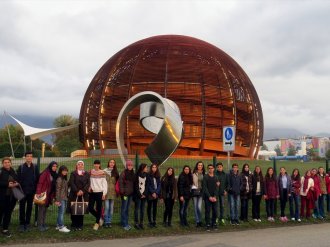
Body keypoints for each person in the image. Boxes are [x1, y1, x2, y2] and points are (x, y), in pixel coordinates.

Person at [17, 151, 39, 232]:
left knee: (29, 208)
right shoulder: (21, 167)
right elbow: (18, 179)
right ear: (25, 157)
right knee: (22, 208)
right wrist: (19, 192)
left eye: (30, 156)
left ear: (32, 157)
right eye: (27, 156)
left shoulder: (35, 167)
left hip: (31, 192)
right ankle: (22, 224)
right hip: (22, 192)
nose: (29, 157)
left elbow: (37, 179)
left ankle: (27, 223)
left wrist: (36, 190)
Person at [0, 157, 20, 237]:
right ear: (3, 163)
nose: (7, 163)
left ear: (11, 163)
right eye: (5, 162)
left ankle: (5, 229)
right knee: (0, 213)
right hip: (2, 197)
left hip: (12, 197)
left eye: (8, 162)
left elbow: (17, 179)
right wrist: (7, 184)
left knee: (8, 213)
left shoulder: (13, 171)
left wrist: (16, 183)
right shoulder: (1, 171)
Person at [68, 160, 90, 231]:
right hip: (74, 194)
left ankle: (80, 225)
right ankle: (74, 224)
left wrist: (82, 191)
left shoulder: (86, 173)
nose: (80, 165)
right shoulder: (73, 173)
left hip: (84, 194)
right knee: (74, 209)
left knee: (81, 209)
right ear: (76, 165)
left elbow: (88, 183)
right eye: (79, 164)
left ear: (83, 166)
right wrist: (77, 191)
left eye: (81, 164)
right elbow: (72, 183)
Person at [36, 161, 58, 231]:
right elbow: (40, 183)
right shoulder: (46, 173)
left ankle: (43, 223)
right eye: (53, 166)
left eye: (56, 166)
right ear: (50, 166)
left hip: (49, 195)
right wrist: (38, 192)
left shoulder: (55, 174)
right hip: (43, 194)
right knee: (41, 210)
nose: (55, 168)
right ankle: (40, 225)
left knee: (45, 210)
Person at [88, 160, 107, 231]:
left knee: (99, 208)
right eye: (95, 164)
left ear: (99, 165)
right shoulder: (91, 172)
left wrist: (104, 194)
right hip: (92, 193)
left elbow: (105, 184)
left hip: (100, 193)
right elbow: (89, 181)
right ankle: (100, 218)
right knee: (90, 208)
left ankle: (97, 223)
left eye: (97, 164)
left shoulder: (102, 172)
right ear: (93, 165)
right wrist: (89, 187)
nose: (96, 165)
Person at [119, 159, 135, 231]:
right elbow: (120, 183)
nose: (130, 166)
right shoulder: (123, 173)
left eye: (131, 165)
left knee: (127, 209)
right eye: (128, 165)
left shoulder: (133, 173)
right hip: (125, 195)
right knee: (124, 208)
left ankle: (126, 222)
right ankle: (124, 223)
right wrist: (123, 192)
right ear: (126, 166)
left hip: (130, 194)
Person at [203, 164, 219, 231]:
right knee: (208, 211)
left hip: (214, 197)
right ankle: (207, 224)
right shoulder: (205, 177)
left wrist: (214, 196)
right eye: (209, 168)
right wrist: (209, 197)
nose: (210, 169)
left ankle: (214, 223)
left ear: (213, 169)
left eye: (212, 168)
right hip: (207, 197)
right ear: (208, 169)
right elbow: (205, 187)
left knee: (215, 211)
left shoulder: (216, 177)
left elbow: (217, 187)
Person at [103, 159, 119, 228]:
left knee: (111, 208)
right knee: (106, 207)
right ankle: (106, 221)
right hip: (106, 191)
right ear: (108, 163)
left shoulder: (116, 172)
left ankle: (109, 221)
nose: (112, 163)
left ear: (114, 164)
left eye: (113, 162)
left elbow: (118, 183)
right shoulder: (104, 171)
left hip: (113, 192)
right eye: (110, 162)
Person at [55, 165, 70, 233]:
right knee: (61, 212)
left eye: (66, 171)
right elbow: (57, 190)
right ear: (60, 171)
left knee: (60, 212)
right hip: (61, 198)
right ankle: (61, 226)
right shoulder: (59, 179)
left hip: (64, 197)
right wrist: (57, 200)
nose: (65, 172)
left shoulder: (64, 178)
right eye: (64, 170)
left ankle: (58, 225)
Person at [134, 163, 148, 229]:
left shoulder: (146, 175)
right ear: (142, 168)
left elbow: (147, 185)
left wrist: (144, 194)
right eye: (146, 167)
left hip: (144, 195)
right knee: (137, 209)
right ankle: (136, 223)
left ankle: (141, 223)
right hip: (138, 195)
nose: (147, 169)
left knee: (142, 209)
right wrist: (140, 194)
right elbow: (136, 186)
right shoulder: (136, 175)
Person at [146, 164, 161, 228]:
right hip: (150, 194)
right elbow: (148, 185)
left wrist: (156, 192)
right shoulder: (148, 175)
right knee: (149, 207)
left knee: (155, 208)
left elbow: (159, 184)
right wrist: (152, 192)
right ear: (151, 168)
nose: (154, 168)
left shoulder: (158, 176)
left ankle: (154, 221)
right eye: (153, 167)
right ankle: (150, 221)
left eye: (155, 167)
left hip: (156, 194)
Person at [192, 161, 205, 227]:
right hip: (195, 192)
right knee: (195, 207)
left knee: (199, 207)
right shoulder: (194, 173)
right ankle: (197, 221)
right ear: (197, 166)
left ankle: (200, 220)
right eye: (199, 165)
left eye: (201, 165)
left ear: (202, 166)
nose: (200, 166)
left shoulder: (204, 174)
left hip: (201, 192)